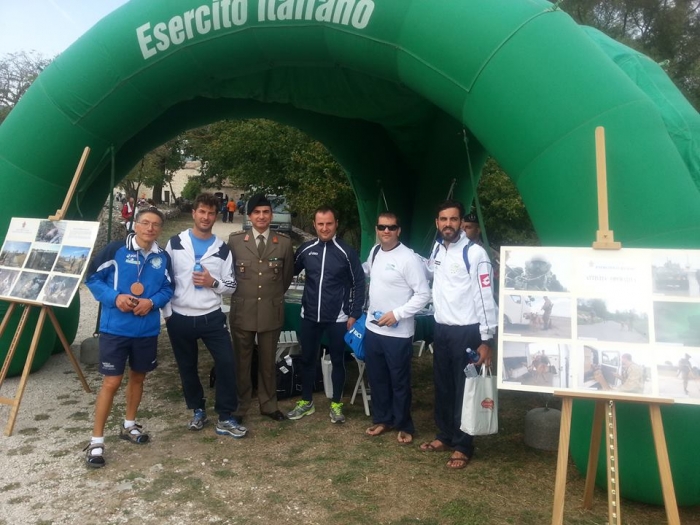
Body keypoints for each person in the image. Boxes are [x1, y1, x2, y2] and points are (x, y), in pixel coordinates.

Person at [83, 207, 173, 468]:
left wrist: (152, 302)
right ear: (136, 224)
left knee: (138, 377)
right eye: (145, 223)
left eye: (155, 225)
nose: (150, 228)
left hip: (146, 331)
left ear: (160, 229)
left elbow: (169, 288)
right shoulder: (115, 250)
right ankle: (96, 440)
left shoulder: (162, 256)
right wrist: (115, 298)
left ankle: (129, 425)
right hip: (115, 330)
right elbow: (92, 278)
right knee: (111, 382)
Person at [421, 199, 498, 469]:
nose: (448, 225)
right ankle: (445, 435)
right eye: (443, 220)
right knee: (443, 386)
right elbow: (429, 273)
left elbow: (485, 298)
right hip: (441, 330)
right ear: (437, 223)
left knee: (466, 389)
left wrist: (486, 341)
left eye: (453, 220)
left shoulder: (475, 254)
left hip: (468, 332)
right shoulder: (437, 250)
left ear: (461, 223)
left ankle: (464, 444)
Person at [163, 193, 246, 438]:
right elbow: (164, 281)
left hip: (211, 317)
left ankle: (225, 416)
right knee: (187, 366)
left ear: (216, 216)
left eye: (211, 213)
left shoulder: (221, 249)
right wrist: (168, 314)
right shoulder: (175, 243)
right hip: (180, 317)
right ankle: (197, 410)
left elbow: (231, 285)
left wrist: (213, 282)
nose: (206, 217)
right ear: (194, 213)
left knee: (227, 363)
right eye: (202, 212)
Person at [287, 206, 365, 423]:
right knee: (307, 359)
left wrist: (354, 313)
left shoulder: (346, 252)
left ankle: (337, 404)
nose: (324, 228)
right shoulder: (305, 249)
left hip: (338, 318)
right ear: (314, 225)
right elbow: (288, 272)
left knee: (338, 361)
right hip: (310, 315)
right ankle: (306, 402)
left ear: (336, 223)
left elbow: (359, 283)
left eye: (329, 223)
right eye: (320, 224)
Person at [363, 212, 430, 444]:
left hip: (398, 333)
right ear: (377, 229)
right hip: (373, 329)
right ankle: (383, 419)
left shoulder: (409, 258)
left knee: (399, 381)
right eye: (382, 227)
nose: (386, 231)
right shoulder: (374, 252)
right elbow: (368, 273)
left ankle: (403, 424)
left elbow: (423, 294)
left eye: (391, 227)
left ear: (398, 230)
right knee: (377, 379)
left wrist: (398, 314)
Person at [228, 194, 295, 422]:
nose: (261, 216)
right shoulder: (236, 241)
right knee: (242, 361)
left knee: (268, 362)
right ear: (249, 216)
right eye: (257, 212)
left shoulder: (284, 243)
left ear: (271, 215)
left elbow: (285, 279)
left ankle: (268, 404)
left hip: (270, 310)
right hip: (242, 310)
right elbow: (230, 276)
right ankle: (240, 406)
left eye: (266, 212)